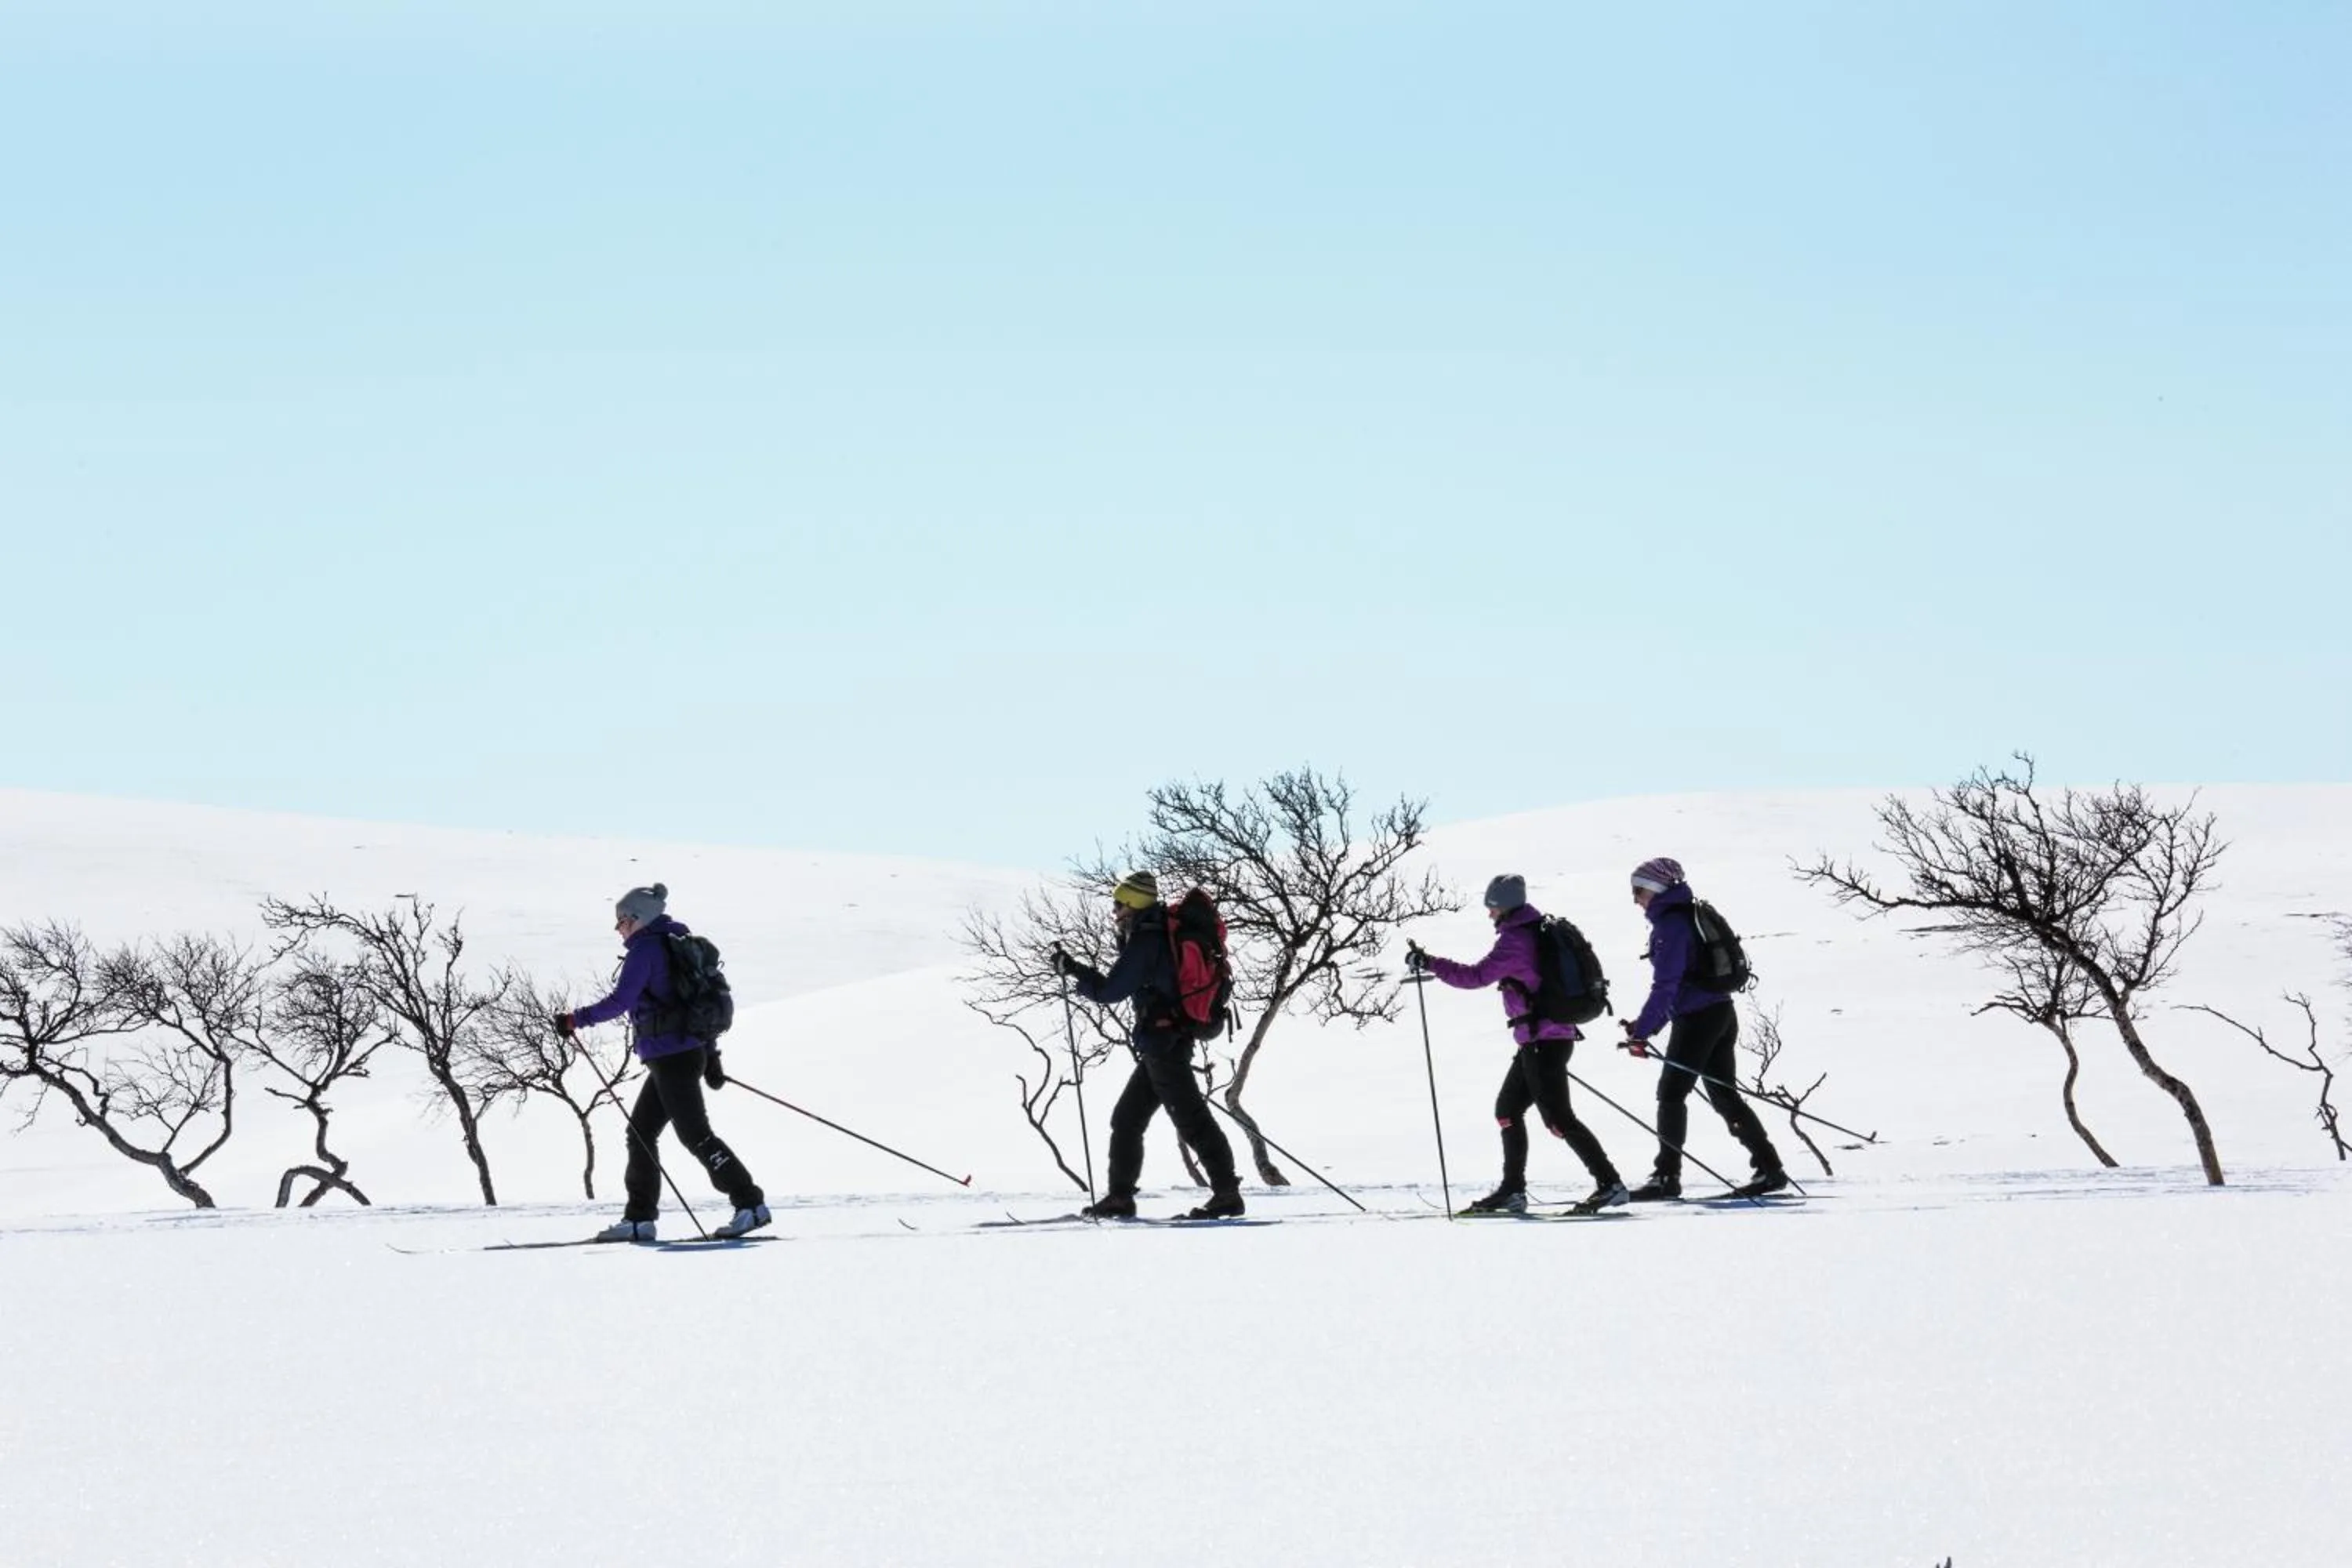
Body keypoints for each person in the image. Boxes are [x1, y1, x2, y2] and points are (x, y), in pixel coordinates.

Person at [556, 882, 771, 1241]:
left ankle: (750, 1204)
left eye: (622, 921)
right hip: (680, 1055)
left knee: (695, 1136)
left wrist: (575, 1019)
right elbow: (693, 1004)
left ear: (639, 918)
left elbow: (621, 1001)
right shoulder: (675, 945)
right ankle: (639, 1220)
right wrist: (710, 1056)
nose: (619, 929)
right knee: (641, 1134)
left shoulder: (646, 950)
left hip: (672, 1058)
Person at [1409, 874, 1628, 1215]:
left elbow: (1475, 977)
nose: (1490, 914)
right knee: (1508, 1112)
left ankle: (1610, 1184)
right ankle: (1513, 1190)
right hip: (1542, 1039)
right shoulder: (1534, 932)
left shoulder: (1516, 941)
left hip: (1543, 1041)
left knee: (1558, 1119)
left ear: (1506, 907)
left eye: (1493, 907)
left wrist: (1430, 963)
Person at [1052, 870, 1246, 1221]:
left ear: (1134, 903)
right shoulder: (1153, 934)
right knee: (1127, 1118)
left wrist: (1075, 971)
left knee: (1190, 1119)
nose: (1115, 911)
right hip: (1165, 1041)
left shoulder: (1148, 939)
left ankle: (1226, 1193)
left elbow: (1110, 990)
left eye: (1119, 904)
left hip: (1163, 1043)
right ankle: (1120, 1197)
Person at [1619, 857, 1786, 1200]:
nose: (1635, 899)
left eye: (1639, 891)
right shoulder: (1686, 916)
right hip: (1720, 1012)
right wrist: (1647, 1026)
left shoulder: (1670, 927)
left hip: (1698, 1020)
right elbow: (1682, 987)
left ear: (1656, 889)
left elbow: (1666, 988)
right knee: (1724, 1095)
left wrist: (1642, 1033)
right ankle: (1770, 1169)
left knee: (1670, 1094)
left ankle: (1666, 1178)